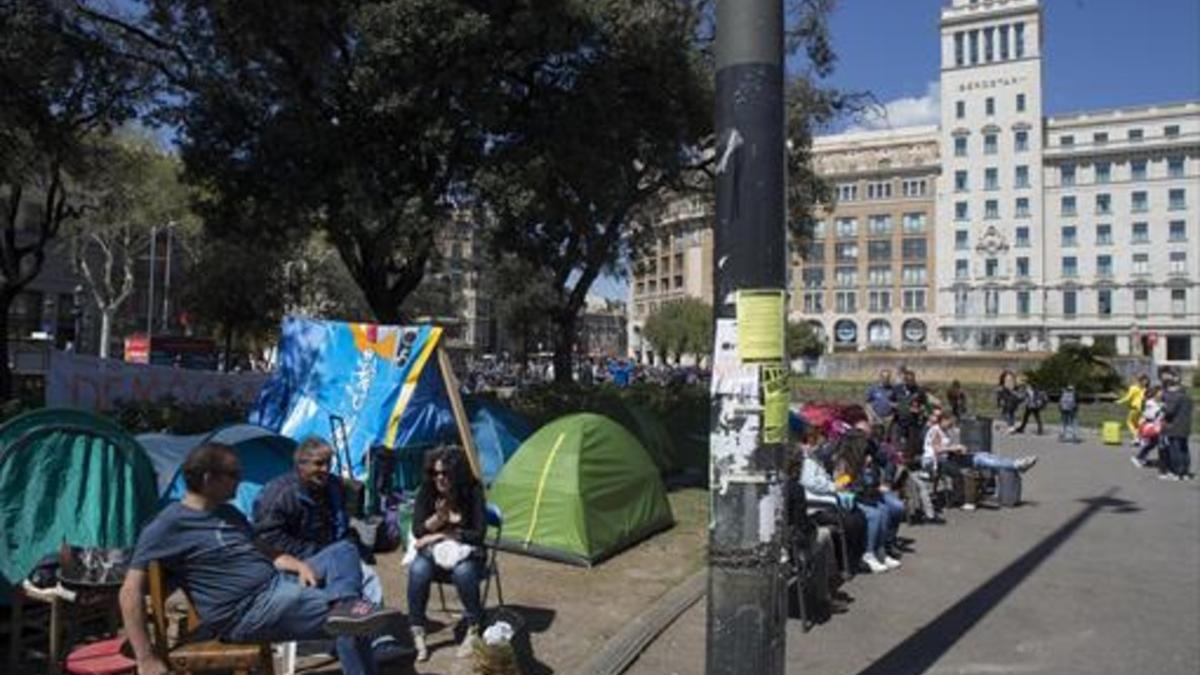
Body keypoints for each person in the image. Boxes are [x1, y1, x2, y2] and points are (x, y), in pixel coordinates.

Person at [119, 443, 399, 675]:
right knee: (356, 622)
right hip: (246, 612)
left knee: (344, 550)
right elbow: (129, 592)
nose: (240, 479)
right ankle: (347, 607)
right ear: (208, 478)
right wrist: (145, 659)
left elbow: (266, 552)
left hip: (276, 586)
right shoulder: (168, 524)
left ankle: (346, 604)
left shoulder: (228, 513)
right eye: (233, 473)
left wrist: (298, 564)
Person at [252, 437, 405, 661]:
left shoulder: (333, 486)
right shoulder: (278, 493)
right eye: (318, 464)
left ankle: (363, 638)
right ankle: (369, 639)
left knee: (358, 567)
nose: (325, 469)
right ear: (300, 464)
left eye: (328, 463)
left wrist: (354, 544)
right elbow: (268, 541)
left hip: (331, 553)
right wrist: (314, 552)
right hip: (294, 562)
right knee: (365, 576)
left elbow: (341, 524)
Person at [406, 446, 487, 661]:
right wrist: (439, 520)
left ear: (458, 473)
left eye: (445, 473)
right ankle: (418, 631)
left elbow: (478, 534)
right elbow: (417, 531)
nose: (439, 478)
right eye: (435, 473)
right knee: (418, 569)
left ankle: (474, 627)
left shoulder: (473, 490)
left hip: (468, 554)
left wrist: (440, 535)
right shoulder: (428, 489)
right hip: (436, 553)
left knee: (463, 573)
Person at [1159, 370, 1194, 481]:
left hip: (1173, 426)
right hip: (1185, 426)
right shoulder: (1188, 397)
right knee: (1184, 449)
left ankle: (1177, 472)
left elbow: (1169, 411)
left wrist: (1163, 407)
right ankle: (1185, 472)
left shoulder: (1175, 397)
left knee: (1175, 450)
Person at [1131, 386, 1164, 468]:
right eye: (1160, 392)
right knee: (1151, 443)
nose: (1162, 394)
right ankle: (1138, 457)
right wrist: (1161, 410)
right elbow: (1151, 415)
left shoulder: (1159, 402)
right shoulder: (1150, 402)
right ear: (1155, 393)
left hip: (1155, 426)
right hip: (1149, 426)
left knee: (1153, 443)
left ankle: (1141, 457)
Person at [1115, 375, 1150, 445]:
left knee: (1129, 422)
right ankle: (1140, 439)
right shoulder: (1144, 389)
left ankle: (1136, 437)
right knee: (1137, 424)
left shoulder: (1133, 388)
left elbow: (1128, 398)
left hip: (1134, 408)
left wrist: (1119, 401)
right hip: (1141, 409)